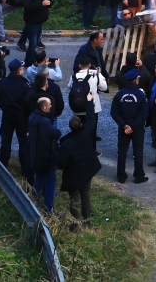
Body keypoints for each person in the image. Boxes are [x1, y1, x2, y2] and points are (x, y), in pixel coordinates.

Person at [58, 98, 102, 228]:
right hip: (87, 170)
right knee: (86, 195)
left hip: (73, 174)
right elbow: (91, 119)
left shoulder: (66, 144)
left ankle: (74, 224)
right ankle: (86, 222)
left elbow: (61, 164)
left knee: (74, 199)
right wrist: (89, 102)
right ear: (81, 125)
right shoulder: (87, 133)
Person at [111, 69, 150, 184]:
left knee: (122, 152)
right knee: (138, 152)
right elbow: (144, 114)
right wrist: (133, 127)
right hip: (137, 129)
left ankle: (121, 176)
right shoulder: (141, 95)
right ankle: (139, 176)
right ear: (136, 81)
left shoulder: (119, 94)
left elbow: (114, 113)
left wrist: (124, 125)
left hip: (123, 129)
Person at [0, 59, 32, 178]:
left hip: (7, 114)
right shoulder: (24, 84)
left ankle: (3, 164)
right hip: (20, 116)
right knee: (23, 141)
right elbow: (29, 102)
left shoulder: (3, 83)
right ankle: (24, 167)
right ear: (19, 71)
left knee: (6, 140)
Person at [69, 55, 108, 151]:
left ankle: (79, 150)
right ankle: (92, 152)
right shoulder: (94, 74)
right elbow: (104, 87)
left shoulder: (74, 76)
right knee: (92, 130)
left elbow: (70, 88)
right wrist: (99, 73)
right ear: (90, 65)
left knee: (78, 130)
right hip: (92, 108)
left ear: (79, 66)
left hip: (77, 108)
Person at [29, 97, 61, 212]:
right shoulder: (45, 122)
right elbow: (56, 133)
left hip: (36, 154)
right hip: (46, 156)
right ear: (44, 107)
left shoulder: (33, 117)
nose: (51, 106)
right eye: (49, 105)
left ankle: (34, 201)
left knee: (39, 178)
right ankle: (49, 208)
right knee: (51, 182)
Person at [18, 0, 52, 66]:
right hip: (32, 23)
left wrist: (48, 0)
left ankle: (29, 61)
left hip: (39, 22)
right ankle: (31, 61)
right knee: (33, 44)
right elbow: (29, 7)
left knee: (35, 43)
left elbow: (49, 0)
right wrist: (41, 4)